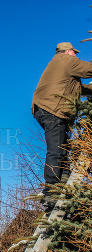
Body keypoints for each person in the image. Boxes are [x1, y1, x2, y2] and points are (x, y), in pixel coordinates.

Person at [32, 42, 92, 205]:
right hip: (53, 110)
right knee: (57, 150)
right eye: (75, 52)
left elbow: (77, 88)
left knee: (62, 148)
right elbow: (89, 69)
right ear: (68, 51)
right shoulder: (65, 60)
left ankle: (62, 183)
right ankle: (51, 191)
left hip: (46, 109)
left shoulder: (58, 66)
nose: (77, 55)